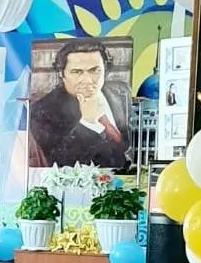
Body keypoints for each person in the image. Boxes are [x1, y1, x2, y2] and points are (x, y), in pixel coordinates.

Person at [29, 39, 133, 169]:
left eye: (94, 70)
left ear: (105, 70)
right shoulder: (43, 111)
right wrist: (87, 122)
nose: (87, 80)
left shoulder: (121, 92)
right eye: (77, 72)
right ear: (61, 73)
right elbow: (61, 164)